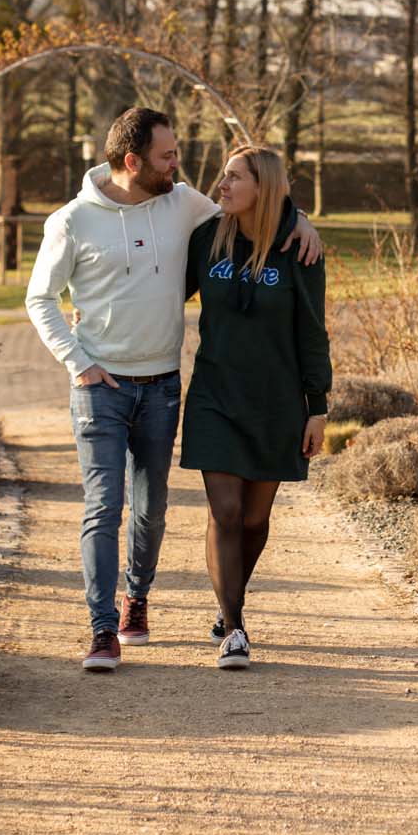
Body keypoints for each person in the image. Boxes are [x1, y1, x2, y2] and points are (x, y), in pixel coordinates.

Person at [24, 107, 321, 674]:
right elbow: (40, 299)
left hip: (161, 384)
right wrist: (78, 362)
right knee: (103, 506)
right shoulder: (71, 221)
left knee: (151, 508)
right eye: (168, 156)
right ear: (133, 162)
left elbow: (259, 204)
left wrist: (300, 218)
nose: (179, 166)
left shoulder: (183, 204)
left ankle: (138, 597)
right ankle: (103, 628)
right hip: (99, 386)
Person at [181, 146, 332, 670]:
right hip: (215, 395)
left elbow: (313, 332)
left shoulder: (299, 249)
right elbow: (159, 291)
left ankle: (228, 610)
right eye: (223, 175)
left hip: (276, 402)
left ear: (262, 188)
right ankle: (235, 627)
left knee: (253, 519)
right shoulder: (207, 239)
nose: (222, 185)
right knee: (224, 512)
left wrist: (318, 406)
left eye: (234, 177)